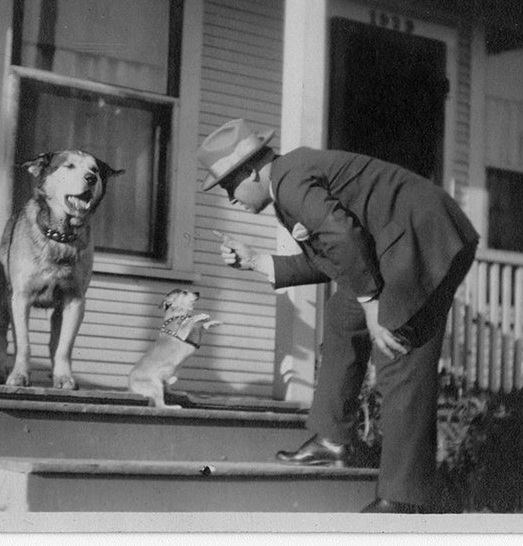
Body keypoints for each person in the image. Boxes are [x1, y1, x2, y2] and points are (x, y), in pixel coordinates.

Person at [198, 119, 479, 513]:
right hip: (395, 246)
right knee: (344, 315)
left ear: (251, 170)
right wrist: (257, 261)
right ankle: (331, 441)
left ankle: (401, 500)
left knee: (399, 352)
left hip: (425, 240)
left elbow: (344, 239)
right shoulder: (288, 185)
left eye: (229, 185)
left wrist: (372, 305)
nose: (230, 198)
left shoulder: (292, 183)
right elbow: (337, 256)